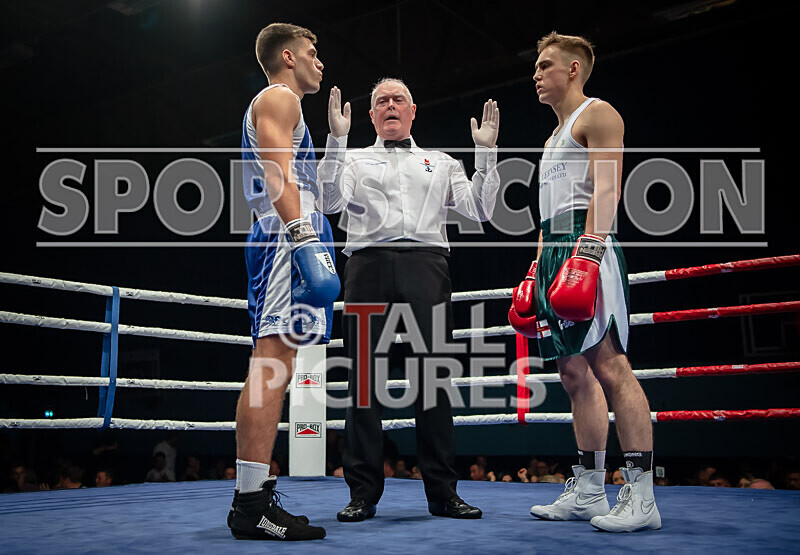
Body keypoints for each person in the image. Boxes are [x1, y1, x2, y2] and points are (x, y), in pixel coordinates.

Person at [320, 78, 498, 521]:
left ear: (413, 110)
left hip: (427, 264)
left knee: (433, 380)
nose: (390, 105)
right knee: (364, 382)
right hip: (367, 266)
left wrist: (486, 154)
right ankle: (362, 493)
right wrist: (336, 141)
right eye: (381, 101)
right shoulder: (354, 159)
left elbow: (480, 210)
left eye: (398, 99)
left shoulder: (441, 161)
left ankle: (443, 494)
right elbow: (326, 202)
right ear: (372, 115)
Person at [509, 32, 660, 532]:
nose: (536, 74)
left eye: (545, 65)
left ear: (573, 69)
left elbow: (607, 187)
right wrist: (536, 269)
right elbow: (544, 217)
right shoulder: (551, 138)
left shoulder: (598, 114)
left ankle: (641, 495)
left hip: (586, 243)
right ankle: (590, 489)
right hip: (554, 248)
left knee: (611, 365)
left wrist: (588, 254)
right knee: (574, 375)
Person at [228, 22, 341, 542]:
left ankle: (253, 496)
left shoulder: (282, 104)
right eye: (314, 54)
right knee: (272, 362)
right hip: (285, 235)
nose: (321, 62)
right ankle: (250, 505)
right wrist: (301, 236)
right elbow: (277, 172)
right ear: (289, 56)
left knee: (280, 361)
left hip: (287, 232)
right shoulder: (279, 97)